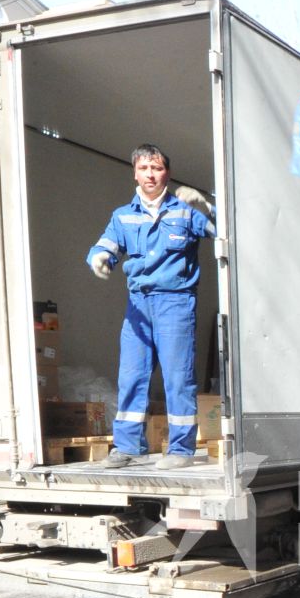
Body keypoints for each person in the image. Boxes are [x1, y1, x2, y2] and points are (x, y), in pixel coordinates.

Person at [86, 144, 215, 469]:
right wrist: (99, 258)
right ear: (135, 173)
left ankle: (181, 450)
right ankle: (128, 447)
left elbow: (225, 233)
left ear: (166, 173)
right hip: (139, 306)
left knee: (177, 377)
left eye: (156, 169)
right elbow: (105, 245)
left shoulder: (185, 211)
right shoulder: (123, 215)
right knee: (131, 374)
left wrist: (207, 208)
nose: (150, 175)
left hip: (175, 302)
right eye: (144, 169)